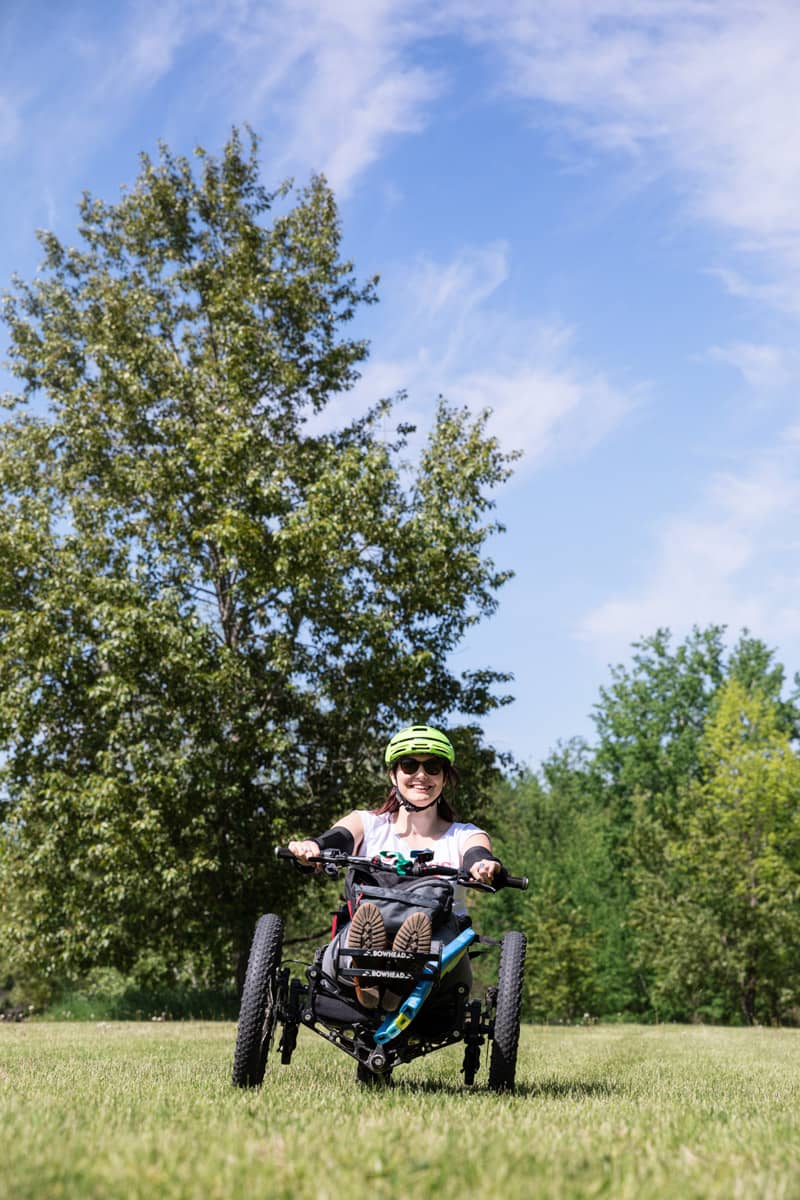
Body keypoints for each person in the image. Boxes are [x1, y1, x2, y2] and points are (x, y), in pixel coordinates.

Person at [288, 724, 503, 1010]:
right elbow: (335, 839)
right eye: (410, 765)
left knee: (432, 945)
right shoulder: (366, 823)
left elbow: (477, 854)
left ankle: (396, 978)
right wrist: (311, 849)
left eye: (433, 767)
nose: (421, 776)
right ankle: (376, 975)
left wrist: (484, 867)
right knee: (357, 933)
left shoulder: (464, 834)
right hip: (363, 929)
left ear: (445, 777)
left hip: (438, 945)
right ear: (394, 774)